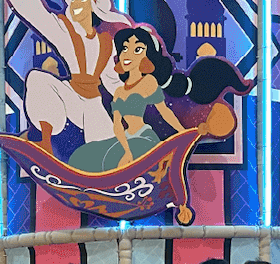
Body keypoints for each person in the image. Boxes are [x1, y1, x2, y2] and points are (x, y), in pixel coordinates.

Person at [0, 0, 130, 155]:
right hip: (69, 96)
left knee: (109, 152)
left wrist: (133, 99)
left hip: (93, 104)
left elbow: (113, 81)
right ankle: (44, 141)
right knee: (38, 80)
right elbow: (37, 14)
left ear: (95, 4)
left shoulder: (105, 44)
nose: (76, 2)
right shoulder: (65, 31)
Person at [67, 27, 189, 172]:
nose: (128, 54)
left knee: (116, 157)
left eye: (137, 49)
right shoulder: (119, 91)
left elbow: (165, 112)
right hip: (125, 138)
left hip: (144, 138)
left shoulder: (148, 82)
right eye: (125, 48)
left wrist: (183, 133)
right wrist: (126, 149)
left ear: (147, 55)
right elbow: (117, 125)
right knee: (84, 153)